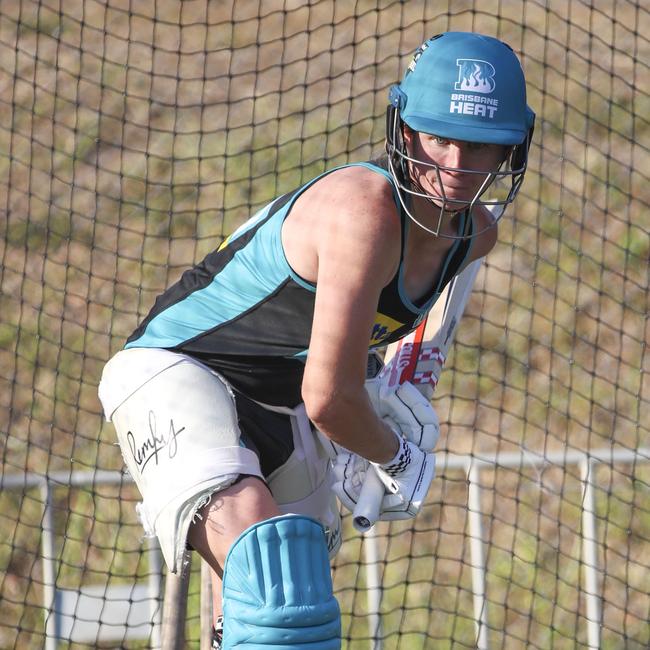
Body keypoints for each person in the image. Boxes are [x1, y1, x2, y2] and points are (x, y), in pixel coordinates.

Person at [98, 31, 534, 649]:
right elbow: (330, 396)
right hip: (180, 369)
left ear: (509, 149)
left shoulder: (475, 236)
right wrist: (394, 453)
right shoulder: (364, 212)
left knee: (293, 609)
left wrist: (381, 395)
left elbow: (410, 328)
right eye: (443, 140)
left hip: (283, 404)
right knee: (278, 590)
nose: (459, 168)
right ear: (406, 133)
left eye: (482, 146)